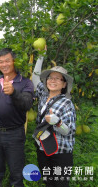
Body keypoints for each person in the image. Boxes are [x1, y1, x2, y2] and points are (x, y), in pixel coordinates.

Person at [0, 48, 34, 187]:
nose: (4, 64)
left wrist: (14, 92)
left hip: (15, 134)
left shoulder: (25, 82)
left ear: (13, 61)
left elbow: (27, 104)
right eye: (1, 62)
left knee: (16, 173)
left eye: (7, 61)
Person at [32, 54, 76, 187]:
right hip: (43, 149)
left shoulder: (67, 103)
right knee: (48, 183)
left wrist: (58, 122)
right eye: (50, 77)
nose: (53, 80)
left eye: (58, 79)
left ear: (64, 84)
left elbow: (68, 131)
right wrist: (40, 55)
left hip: (60, 154)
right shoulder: (43, 94)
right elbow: (34, 78)